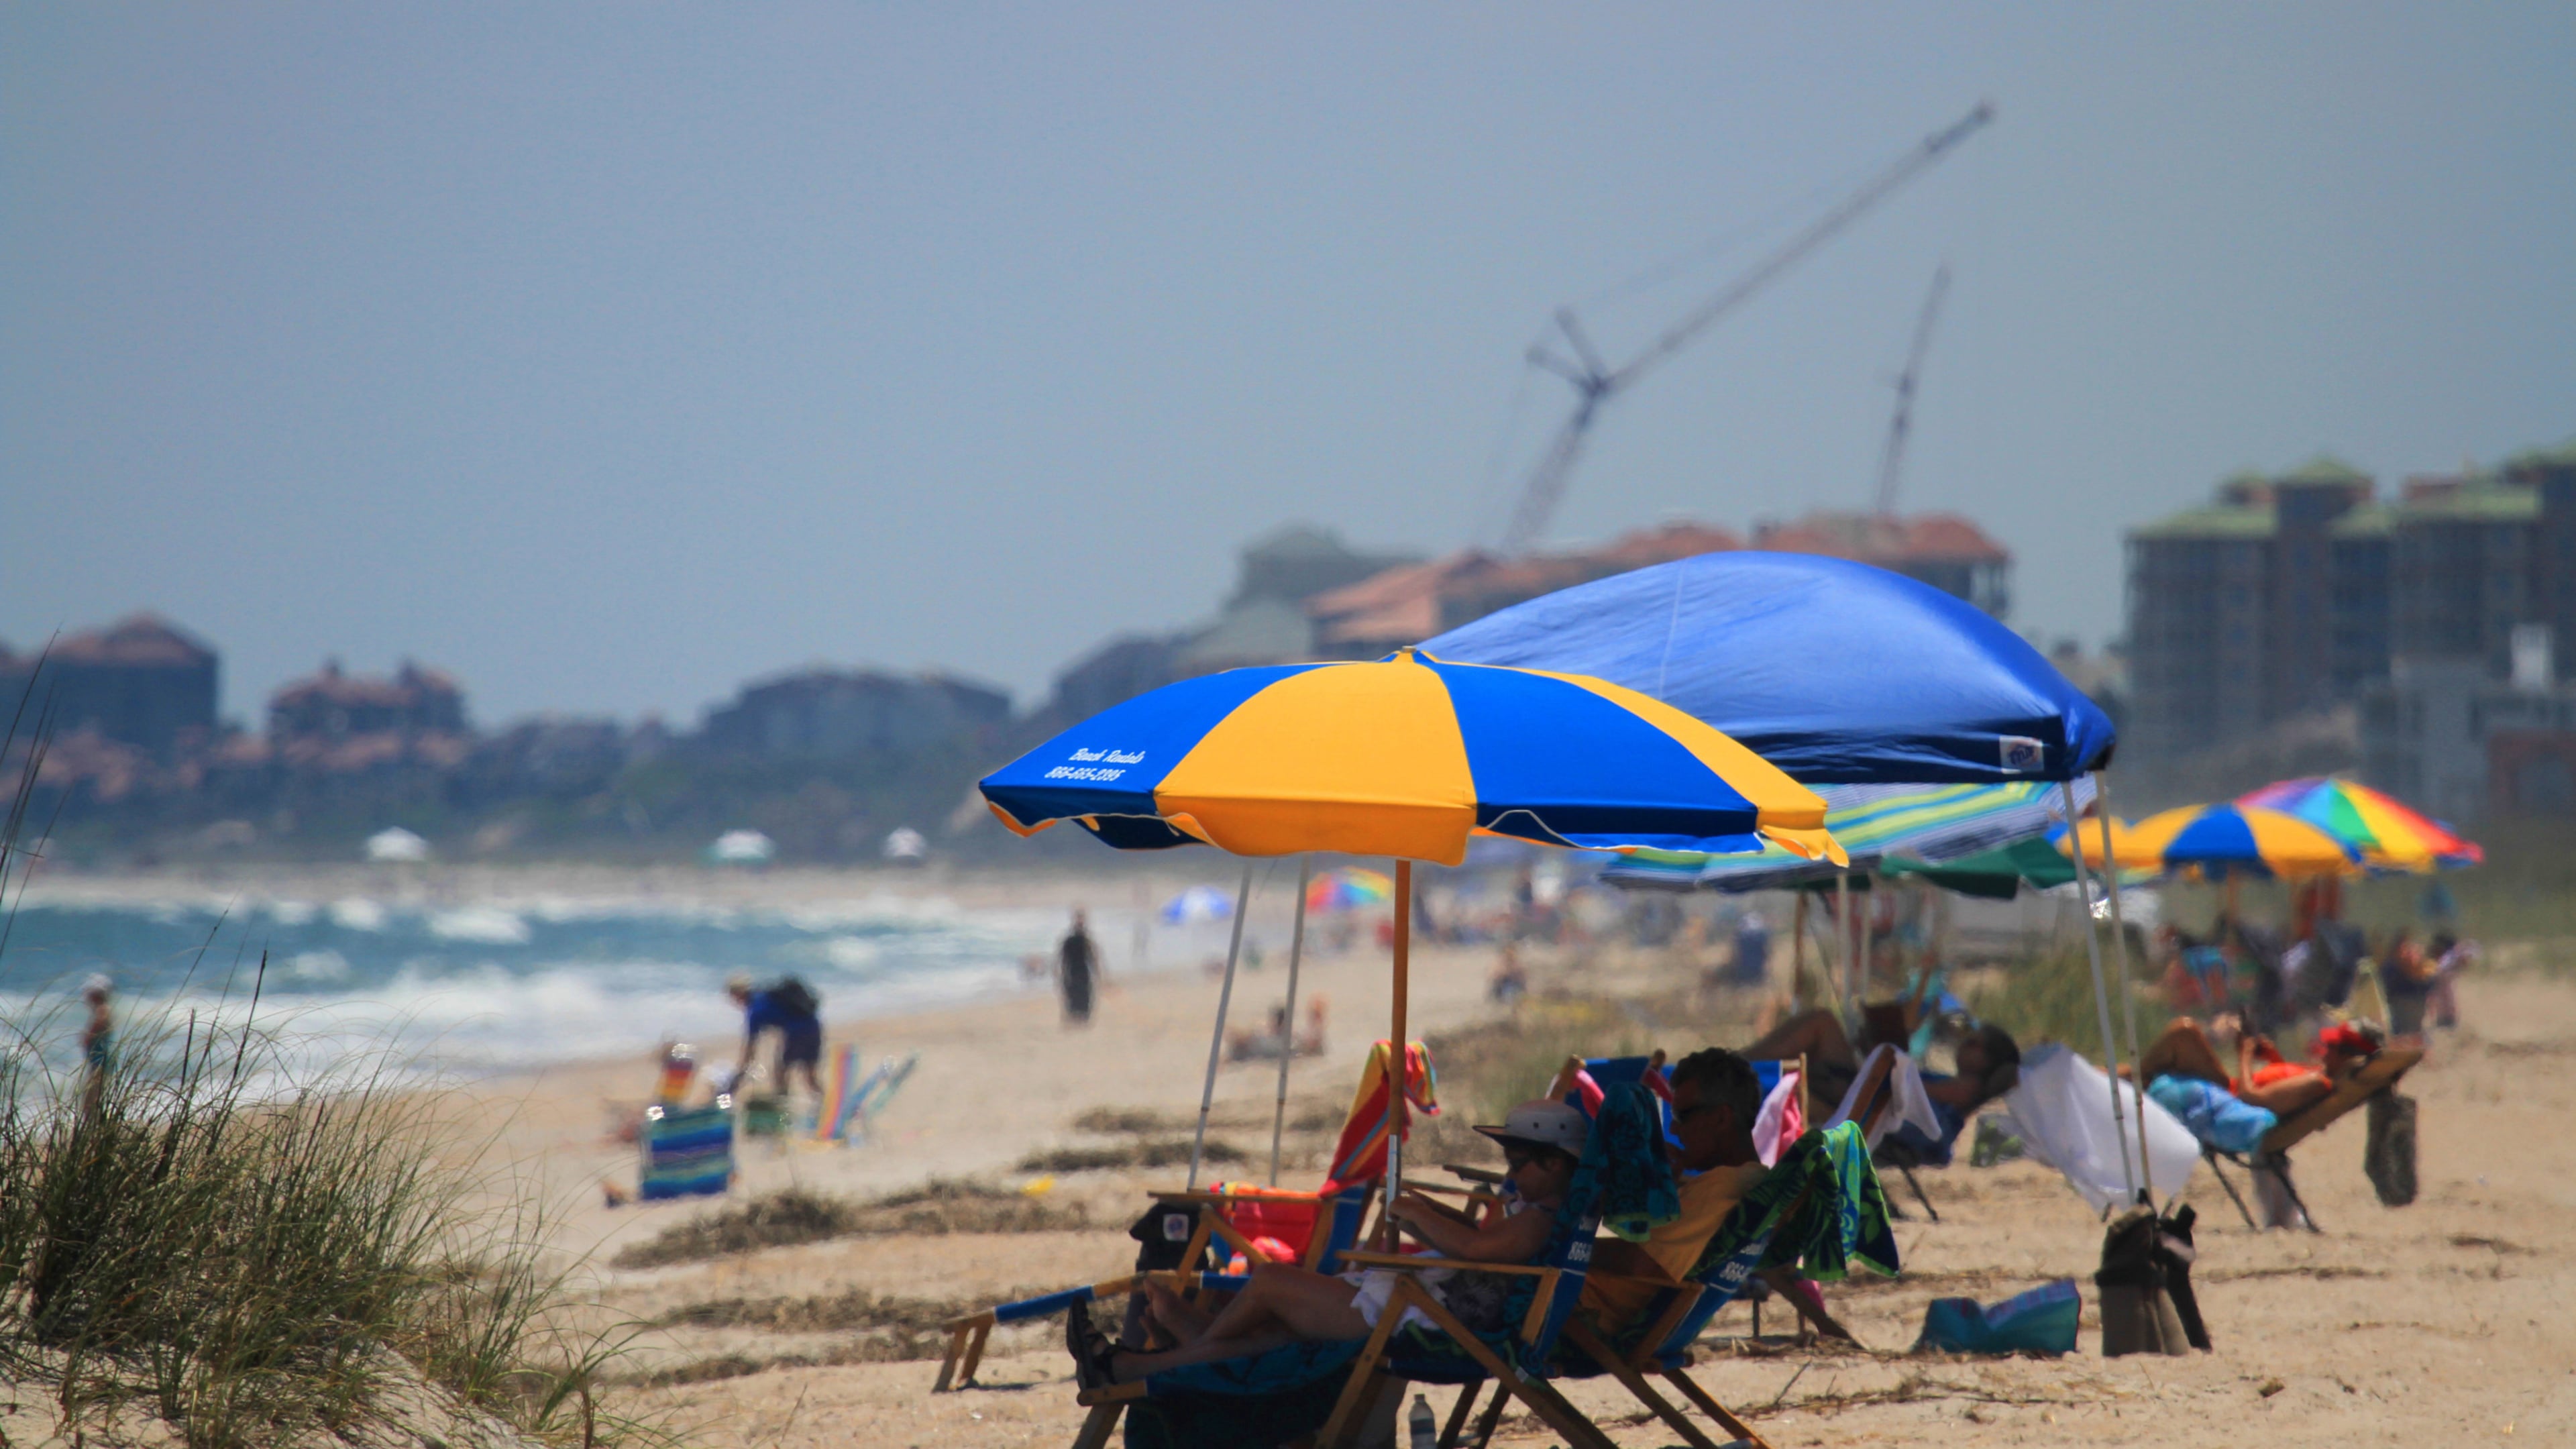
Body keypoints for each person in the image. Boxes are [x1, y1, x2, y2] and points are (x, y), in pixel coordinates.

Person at [1067, 1099, 1587, 1387]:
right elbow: (1484, 1243)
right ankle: (1135, 1364)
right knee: (1276, 1335)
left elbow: (1475, 1252)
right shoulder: (1542, 1215)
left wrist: (1414, 1211)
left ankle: (1193, 1342)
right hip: (1428, 1306)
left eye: (1519, 1165)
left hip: (1421, 1318)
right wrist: (1435, 1215)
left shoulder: (1540, 1221)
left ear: (1557, 1164)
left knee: (1270, 1282)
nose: (1511, 1175)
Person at [1738, 1008, 2021, 1162]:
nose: (1963, 1043)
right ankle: (1739, 1066)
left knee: (1821, 1026)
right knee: (1820, 1029)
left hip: (1878, 1114)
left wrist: (1883, 1062)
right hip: (1871, 1105)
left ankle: (1736, 1067)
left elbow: (1909, 1094)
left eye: (1972, 1043)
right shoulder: (1962, 1085)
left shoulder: (1967, 1087)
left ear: (1986, 1060)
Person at [2127, 1012, 2380, 1118]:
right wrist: (2273, 1058)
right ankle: (2118, 1077)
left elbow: (2252, 1098)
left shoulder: (2317, 1082)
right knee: (2161, 1063)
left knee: (2184, 1032)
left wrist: (2245, 1054)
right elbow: (2283, 1091)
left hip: (2228, 1099)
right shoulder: (2321, 1078)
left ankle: (2118, 1078)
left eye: (2334, 1047)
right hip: (2228, 1092)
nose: (2327, 1051)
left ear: (2350, 1056)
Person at [727, 972, 822, 1097]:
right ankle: (828, 1103)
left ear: (738, 995)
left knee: (781, 1073)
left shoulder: (755, 1010)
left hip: (797, 1032)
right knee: (810, 1076)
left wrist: (736, 1080)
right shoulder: (765, 996)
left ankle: (783, 1106)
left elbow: (750, 1052)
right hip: (813, 1025)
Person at [77, 974, 115, 1115]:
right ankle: (92, 1124)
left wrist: (88, 1035)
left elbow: (100, 1023)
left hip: (100, 1060)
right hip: (97, 1060)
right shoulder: (101, 1009)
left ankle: (92, 1127)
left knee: (92, 1097)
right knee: (91, 1095)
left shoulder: (103, 1010)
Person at [1058, 909, 1102, 1025]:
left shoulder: (1086, 939)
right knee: (1073, 995)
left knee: (1084, 995)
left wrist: (1097, 972)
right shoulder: (1070, 939)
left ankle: (1082, 1018)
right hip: (1072, 970)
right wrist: (1060, 972)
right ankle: (1074, 1018)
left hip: (1083, 971)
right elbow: (1063, 958)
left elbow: (1093, 957)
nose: (1080, 921)